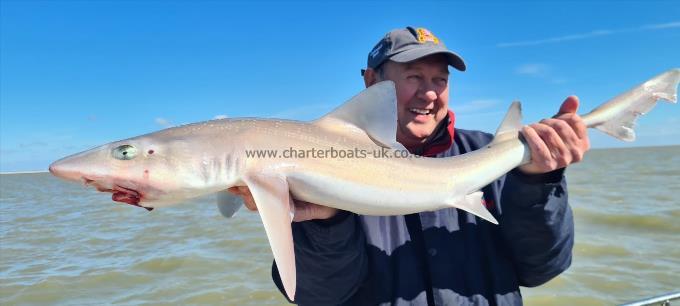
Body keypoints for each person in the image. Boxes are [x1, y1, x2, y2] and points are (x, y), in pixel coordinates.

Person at [229, 26, 589, 305]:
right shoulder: (320, 167)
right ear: (371, 82)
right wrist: (329, 221)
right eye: (414, 77)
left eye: (440, 80)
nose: (429, 93)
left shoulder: (488, 155)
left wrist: (539, 184)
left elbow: (543, 268)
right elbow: (318, 297)